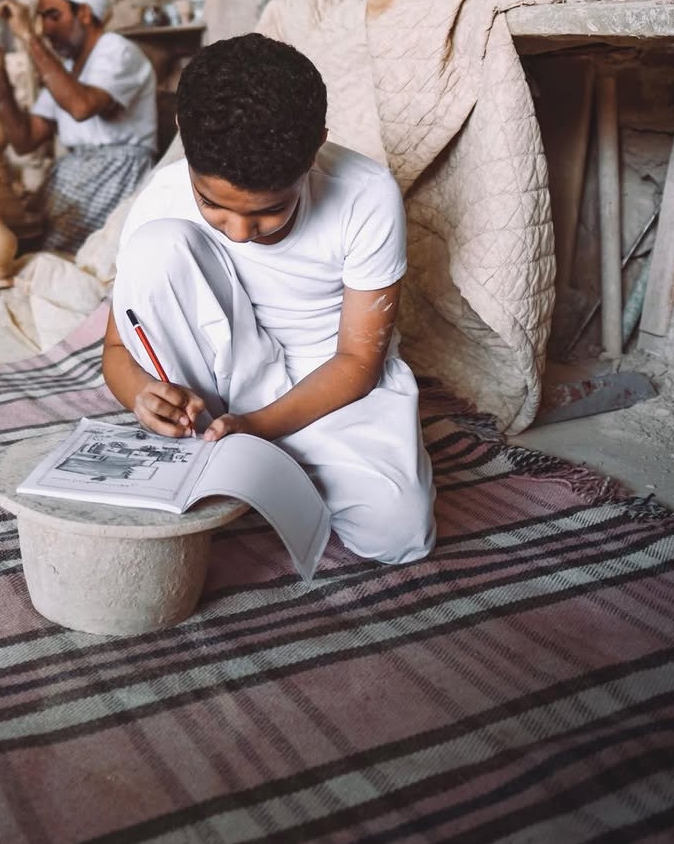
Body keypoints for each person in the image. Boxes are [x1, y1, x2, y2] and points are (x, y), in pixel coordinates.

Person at [102, 32, 435, 567]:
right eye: (212, 204)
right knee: (156, 244)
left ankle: (244, 460)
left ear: (315, 147)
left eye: (269, 212)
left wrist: (256, 426)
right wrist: (142, 394)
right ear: (182, 135)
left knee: (399, 534)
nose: (238, 232)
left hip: (328, 385)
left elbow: (358, 362)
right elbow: (118, 350)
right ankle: (222, 454)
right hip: (216, 384)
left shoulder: (366, 193)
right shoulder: (162, 197)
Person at [0, 0, 156, 254]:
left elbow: (82, 106)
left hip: (117, 177)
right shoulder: (65, 69)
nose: (45, 29)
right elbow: (24, 139)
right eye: (41, 19)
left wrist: (28, 36)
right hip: (79, 179)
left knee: (48, 257)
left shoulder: (116, 49)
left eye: (53, 16)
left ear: (84, 13)